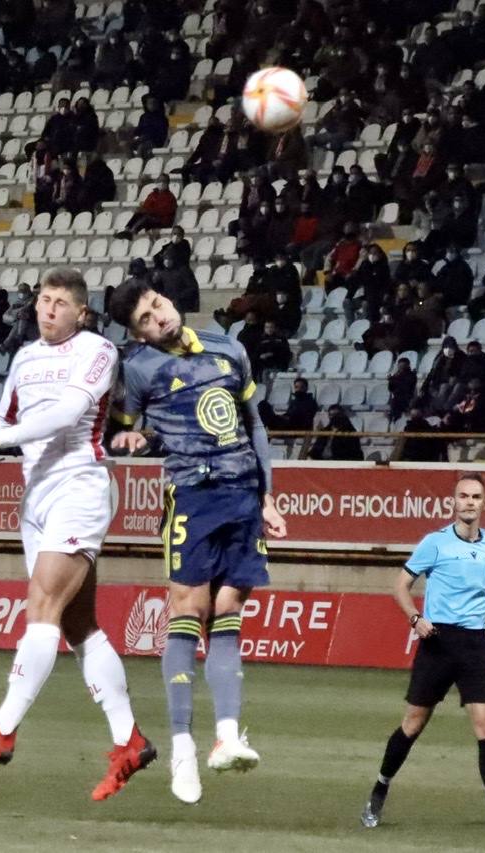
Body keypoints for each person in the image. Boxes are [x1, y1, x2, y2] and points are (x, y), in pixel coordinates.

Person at [0, 269, 155, 803]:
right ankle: (129, 741)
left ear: (80, 313)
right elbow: (4, 419)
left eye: (60, 303)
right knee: (78, 626)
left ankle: (1, 729)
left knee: (41, 604)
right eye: (44, 300)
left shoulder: (95, 350)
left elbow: (67, 414)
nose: (48, 310)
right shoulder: (24, 357)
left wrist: (3, 436)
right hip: (36, 496)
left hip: (79, 484)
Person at [107, 279, 288, 805]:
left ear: (168, 300)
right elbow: (122, 434)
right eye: (143, 318)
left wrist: (268, 496)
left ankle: (226, 737)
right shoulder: (138, 371)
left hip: (242, 497)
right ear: (134, 331)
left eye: (156, 306)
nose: (157, 318)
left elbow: (253, 424)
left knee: (230, 609)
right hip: (191, 496)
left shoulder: (229, 346)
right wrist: (137, 440)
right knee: (189, 608)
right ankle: (182, 745)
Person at [360, 472, 485, 834]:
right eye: (463, 496)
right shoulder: (435, 543)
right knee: (413, 724)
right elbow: (401, 586)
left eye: (476, 496)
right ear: (454, 502)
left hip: (475, 646)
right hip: (438, 642)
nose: (469, 502)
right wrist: (415, 618)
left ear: (484, 503)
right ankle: (379, 788)